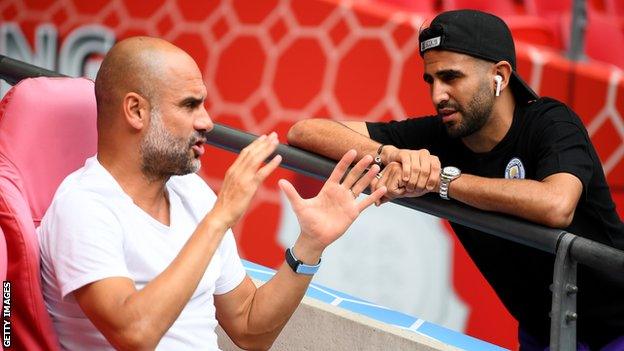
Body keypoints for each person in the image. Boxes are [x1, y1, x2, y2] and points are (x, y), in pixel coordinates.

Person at [287, 9, 624, 351]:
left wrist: (441, 182)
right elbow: (304, 132)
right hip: (544, 333)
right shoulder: (440, 135)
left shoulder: (551, 122)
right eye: (431, 80)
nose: (437, 95)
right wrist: (390, 154)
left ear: (500, 76)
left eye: (451, 77)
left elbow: (556, 205)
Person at [37, 36, 386, 350]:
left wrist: (310, 245)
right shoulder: (83, 207)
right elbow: (135, 334)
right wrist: (219, 218)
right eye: (190, 105)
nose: (207, 122)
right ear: (136, 111)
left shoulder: (191, 192)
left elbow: (249, 328)